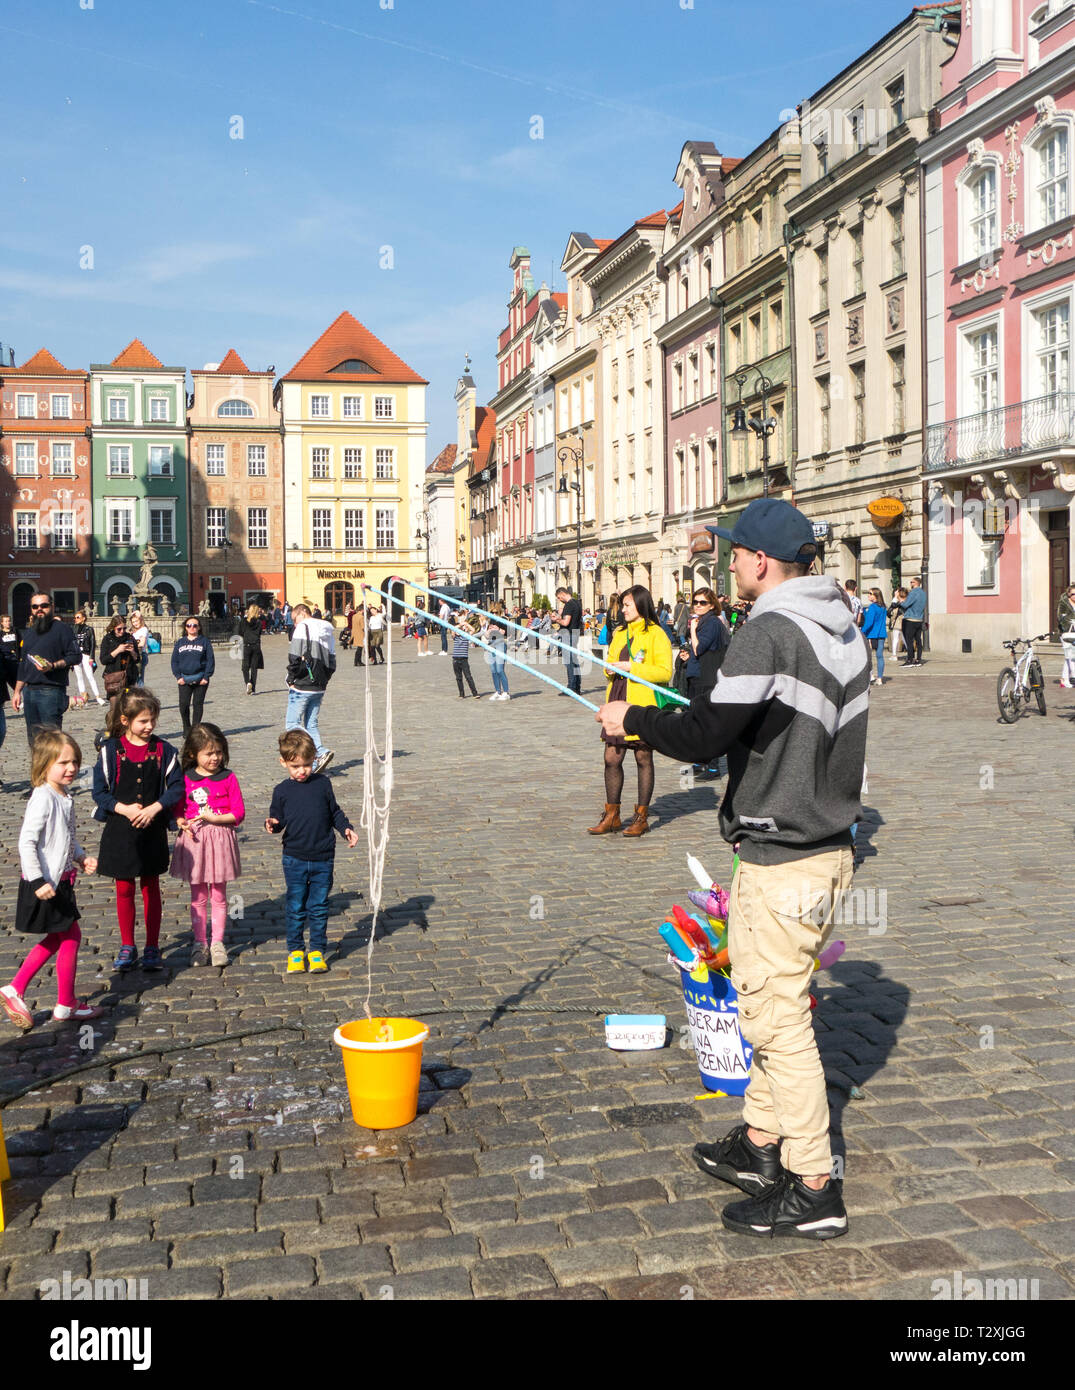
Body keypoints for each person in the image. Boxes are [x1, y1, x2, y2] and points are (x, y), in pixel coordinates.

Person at [597, 497, 866, 1241]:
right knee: (770, 1003)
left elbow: (706, 734)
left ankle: (814, 1183)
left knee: (778, 1024)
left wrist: (631, 718)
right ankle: (759, 1142)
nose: (728, 564)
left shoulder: (770, 629)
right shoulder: (839, 622)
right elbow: (754, 719)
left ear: (755, 562)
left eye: (733, 553)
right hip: (823, 847)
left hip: (784, 854)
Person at [0, 731, 103, 1030]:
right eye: (63, 763)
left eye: (75, 762)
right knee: (70, 936)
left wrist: (80, 857)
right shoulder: (43, 797)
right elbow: (26, 842)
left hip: (61, 880)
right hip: (45, 884)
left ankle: (19, 989)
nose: (71, 768)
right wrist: (37, 881)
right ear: (45, 765)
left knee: (60, 937)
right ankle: (63, 1003)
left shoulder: (63, 796)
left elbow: (64, 838)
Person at [92, 689, 184, 973]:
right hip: (121, 829)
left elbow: (178, 787)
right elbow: (99, 792)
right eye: (143, 721)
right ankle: (127, 944)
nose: (150, 726)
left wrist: (156, 807)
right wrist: (124, 808)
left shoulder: (164, 750)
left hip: (151, 829)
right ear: (125, 720)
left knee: (150, 887)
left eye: (153, 720)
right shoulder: (109, 752)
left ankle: (152, 945)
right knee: (123, 888)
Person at [264, 729, 359, 973]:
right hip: (294, 857)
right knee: (296, 907)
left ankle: (317, 951)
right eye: (295, 766)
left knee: (318, 907)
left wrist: (346, 828)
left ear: (315, 759)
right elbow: (278, 819)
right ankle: (296, 951)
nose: (302, 771)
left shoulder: (323, 784)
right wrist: (273, 824)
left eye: (307, 764)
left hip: (323, 857)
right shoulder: (281, 791)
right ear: (283, 762)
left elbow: (334, 812)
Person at [589, 585, 673, 839]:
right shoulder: (620, 633)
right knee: (611, 758)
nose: (622, 609)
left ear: (640, 605)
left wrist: (631, 668)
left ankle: (641, 817)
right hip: (617, 699)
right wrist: (610, 669)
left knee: (642, 758)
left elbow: (664, 672)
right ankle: (611, 815)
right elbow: (608, 663)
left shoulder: (656, 634)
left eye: (627, 605)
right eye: (622, 605)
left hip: (641, 705)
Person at [169, 723, 244, 968]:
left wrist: (215, 819)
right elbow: (178, 809)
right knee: (198, 895)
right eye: (209, 753)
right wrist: (180, 821)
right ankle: (199, 942)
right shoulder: (186, 779)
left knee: (220, 895)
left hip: (220, 837)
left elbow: (238, 813)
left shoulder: (228, 777)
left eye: (218, 752)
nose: (215, 758)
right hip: (195, 841)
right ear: (193, 754)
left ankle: (217, 943)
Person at [11, 593, 81, 749]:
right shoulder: (28, 633)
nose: (39, 609)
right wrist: (17, 692)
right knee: (34, 741)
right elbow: (23, 665)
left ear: (52, 606)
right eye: (35, 606)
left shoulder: (62, 629)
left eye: (44, 605)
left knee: (52, 741)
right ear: (31, 610)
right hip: (29, 692)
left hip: (51, 690)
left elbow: (76, 656)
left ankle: (54, 772)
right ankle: (40, 773)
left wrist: (53, 665)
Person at [285, 602, 336, 775]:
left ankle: (320, 751)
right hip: (319, 684)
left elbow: (294, 657)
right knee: (311, 723)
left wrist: (291, 678)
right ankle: (314, 765)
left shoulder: (303, 627)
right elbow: (332, 661)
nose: (294, 623)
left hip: (302, 683)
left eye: (294, 619)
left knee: (292, 724)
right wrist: (324, 679)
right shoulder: (328, 630)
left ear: (303, 613)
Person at [677, 587, 728, 699]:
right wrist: (689, 656)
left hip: (704, 680)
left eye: (703, 602)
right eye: (695, 602)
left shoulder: (711, 622)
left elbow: (698, 649)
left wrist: (693, 630)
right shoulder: (704, 621)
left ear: (712, 605)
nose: (698, 605)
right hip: (701, 676)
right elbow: (704, 650)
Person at [171, 615, 215, 739]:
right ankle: (186, 726)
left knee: (197, 704)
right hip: (184, 678)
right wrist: (178, 676)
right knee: (183, 704)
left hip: (200, 677)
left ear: (199, 627)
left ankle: (195, 729)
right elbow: (174, 661)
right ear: (185, 628)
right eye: (189, 625)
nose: (192, 628)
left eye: (194, 625)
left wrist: (206, 676)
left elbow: (210, 659)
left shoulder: (204, 641)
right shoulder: (180, 642)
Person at [99, 614, 142, 720]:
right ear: (113, 628)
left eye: (124, 628)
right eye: (119, 629)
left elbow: (137, 659)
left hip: (128, 677)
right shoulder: (108, 639)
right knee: (114, 709)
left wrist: (132, 651)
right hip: (113, 678)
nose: (122, 631)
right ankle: (112, 730)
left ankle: (127, 732)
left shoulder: (129, 638)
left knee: (128, 708)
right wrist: (118, 650)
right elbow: (103, 660)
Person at [71, 610, 106, 709]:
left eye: (78, 617)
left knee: (90, 676)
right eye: (75, 617)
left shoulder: (89, 629)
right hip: (77, 655)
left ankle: (98, 696)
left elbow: (92, 644)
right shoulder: (73, 629)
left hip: (86, 655)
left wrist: (92, 657)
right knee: (79, 677)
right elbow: (71, 643)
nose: (76, 619)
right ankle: (83, 699)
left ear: (83, 618)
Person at [550, 586, 583, 694]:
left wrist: (556, 619)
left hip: (568, 634)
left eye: (559, 598)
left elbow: (566, 622)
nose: (560, 600)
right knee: (574, 660)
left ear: (563, 594)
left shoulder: (569, 605)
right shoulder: (577, 603)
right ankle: (577, 686)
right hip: (575, 633)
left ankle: (571, 687)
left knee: (569, 661)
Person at [898, 576, 927, 667]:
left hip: (910, 619)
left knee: (909, 640)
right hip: (919, 619)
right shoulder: (923, 593)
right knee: (918, 640)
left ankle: (910, 660)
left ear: (916, 583)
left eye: (912, 582)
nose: (910, 584)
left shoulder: (913, 592)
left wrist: (899, 600)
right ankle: (918, 660)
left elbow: (905, 605)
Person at [861, 588, 888, 686]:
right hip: (881, 634)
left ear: (876, 595)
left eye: (870, 593)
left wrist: (861, 631)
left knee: (868, 657)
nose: (868, 595)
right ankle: (880, 678)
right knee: (880, 656)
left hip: (872, 634)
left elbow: (869, 623)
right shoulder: (883, 607)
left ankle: (870, 676)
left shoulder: (872, 607)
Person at [450, 611, 480, 698]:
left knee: (468, 677)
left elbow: (473, 630)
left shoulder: (466, 636)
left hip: (464, 659)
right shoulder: (455, 636)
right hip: (455, 659)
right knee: (458, 678)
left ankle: (475, 693)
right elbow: (453, 629)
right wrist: (460, 624)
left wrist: (466, 624)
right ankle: (461, 694)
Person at [237, 603, 265, 695]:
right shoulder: (259, 622)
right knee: (254, 667)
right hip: (256, 645)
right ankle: (253, 688)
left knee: (245, 667)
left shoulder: (243, 621)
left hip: (247, 645)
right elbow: (260, 632)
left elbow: (240, 632)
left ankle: (248, 682)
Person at [485, 602, 510, 701]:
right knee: (493, 670)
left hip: (500, 643)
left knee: (500, 669)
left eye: (496, 612)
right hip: (491, 644)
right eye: (492, 612)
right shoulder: (490, 620)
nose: (494, 614)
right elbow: (486, 635)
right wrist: (489, 631)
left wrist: (497, 629)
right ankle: (497, 691)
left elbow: (504, 633)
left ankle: (506, 692)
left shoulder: (503, 620)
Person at [1058, 584, 1075, 688]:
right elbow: (1061, 618)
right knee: (1069, 656)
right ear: (1068, 594)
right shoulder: (1063, 603)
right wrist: (1071, 623)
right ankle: (1067, 679)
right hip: (1066, 633)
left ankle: (1065, 678)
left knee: (1071, 656)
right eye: (1073, 594)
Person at [128, 610, 149, 685]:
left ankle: (141, 695)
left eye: (136, 621)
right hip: (134, 654)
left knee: (139, 678)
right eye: (133, 622)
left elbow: (141, 644)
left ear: (140, 620)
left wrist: (131, 645)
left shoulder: (143, 629)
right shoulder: (134, 631)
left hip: (141, 655)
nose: (135, 623)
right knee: (132, 677)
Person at [888, 587, 908, 660]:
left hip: (898, 622)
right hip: (904, 621)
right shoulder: (907, 601)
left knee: (896, 638)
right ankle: (910, 653)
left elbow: (892, 605)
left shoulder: (898, 602)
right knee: (904, 638)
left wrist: (895, 596)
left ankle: (894, 655)